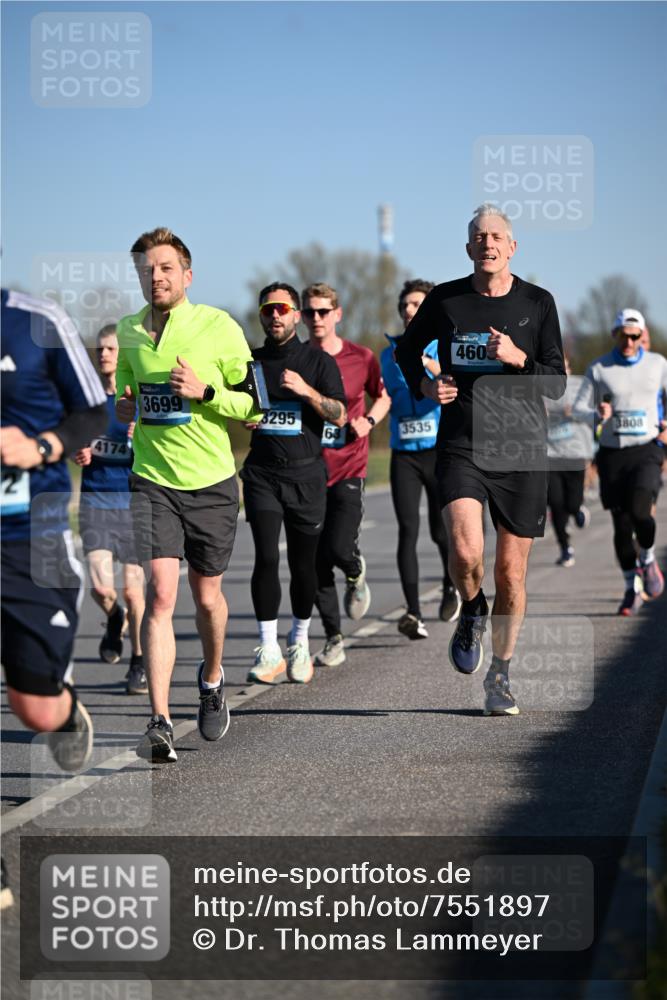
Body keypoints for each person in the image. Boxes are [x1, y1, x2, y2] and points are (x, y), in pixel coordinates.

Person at [396, 204, 566, 716]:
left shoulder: (538, 303)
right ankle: (472, 609)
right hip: (462, 444)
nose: (488, 243)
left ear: (512, 247)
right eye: (479, 237)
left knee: (510, 573)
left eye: (497, 236)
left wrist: (520, 359)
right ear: (468, 248)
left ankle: (501, 674)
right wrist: (426, 384)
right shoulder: (447, 300)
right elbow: (407, 352)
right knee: (466, 554)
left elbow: (556, 383)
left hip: (521, 449)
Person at [115, 228, 261, 763]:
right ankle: (159, 722)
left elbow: (255, 407)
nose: (156, 277)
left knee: (206, 599)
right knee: (161, 595)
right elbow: (125, 397)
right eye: (147, 270)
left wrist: (205, 391)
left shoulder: (219, 327)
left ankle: (213, 675)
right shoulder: (130, 331)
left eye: (166, 268)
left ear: (187, 275)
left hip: (213, 482)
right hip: (153, 478)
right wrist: (126, 409)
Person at [1, 288, 107, 772]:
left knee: (36, 708)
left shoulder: (37, 321)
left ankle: (64, 715)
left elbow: (91, 413)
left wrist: (42, 447)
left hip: (26, 538)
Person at [240, 283, 347, 684]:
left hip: (306, 476)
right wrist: (242, 416)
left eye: (282, 309)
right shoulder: (250, 362)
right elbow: (234, 406)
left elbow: (338, 414)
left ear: (297, 315)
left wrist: (305, 391)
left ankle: (298, 639)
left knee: (304, 567)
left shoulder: (317, 361)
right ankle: (268, 649)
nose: (275, 316)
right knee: (266, 557)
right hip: (263, 474)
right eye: (268, 310)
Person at [301, 283, 390, 668]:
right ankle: (333, 638)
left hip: (350, 462)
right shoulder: (297, 359)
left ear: (337, 314)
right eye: (309, 312)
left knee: (337, 548)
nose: (316, 319)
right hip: (307, 467)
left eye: (323, 311)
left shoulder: (362, 357)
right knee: (316, 560)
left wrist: (369, 421)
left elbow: (383, 396)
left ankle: (354, 569)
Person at [381, 279, 461, 639]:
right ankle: (413, 612)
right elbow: (386, 398)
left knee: (440, 530)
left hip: (438, 450)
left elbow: (457, 393)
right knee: (408, 530)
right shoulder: (389, 355)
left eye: (417, 304)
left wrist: (430, 366)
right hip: (404, 455)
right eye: (406, 306)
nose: (410, 311)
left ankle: (450, 585)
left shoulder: (444, 348)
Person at [574, 308, 667, 615]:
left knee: (642, 510)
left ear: (642, 336)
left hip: (646, 450)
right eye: (623, 335)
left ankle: (649, 558)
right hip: (613, 454)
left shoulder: (658, 364)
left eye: (634, 336)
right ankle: (631, 588)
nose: (628, 342)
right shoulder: (599, 368)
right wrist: (595, 415)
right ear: (614, 334)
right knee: (621, 525)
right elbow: (579, 410)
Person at [73, 324, 146, 694]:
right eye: (100, 349)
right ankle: (113, 616)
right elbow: (73, 440)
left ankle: (138, 662)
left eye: (111, 349)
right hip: (95, 502)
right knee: (102, 588)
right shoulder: (86, 400)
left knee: (134, 591)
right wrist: (79, 451)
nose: (104, 355)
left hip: (133, 504)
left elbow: (160, 447)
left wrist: (141, 437)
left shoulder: (135, 398)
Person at [544, 356, 593, 567]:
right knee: (556, 503)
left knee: (571, 503)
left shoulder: (580, 388)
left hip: (574, 454)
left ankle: (578, 508)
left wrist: (576, 412)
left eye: (562, 367)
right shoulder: (542, 389)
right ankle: (565, 548)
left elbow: (594, 414)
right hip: (551, 455)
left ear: (569, 369)